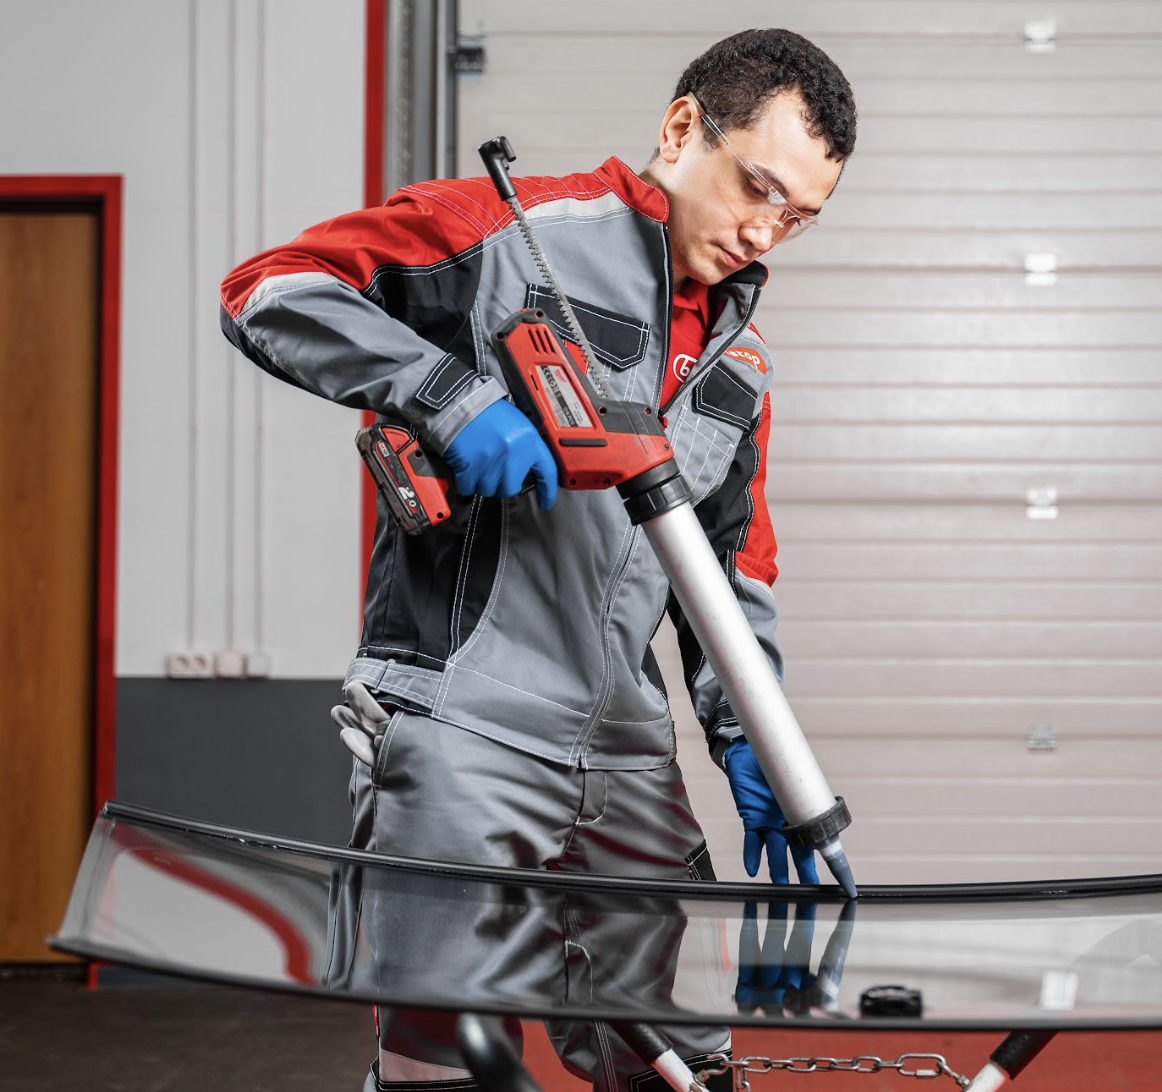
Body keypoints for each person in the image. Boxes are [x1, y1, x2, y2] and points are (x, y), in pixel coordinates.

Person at [218, 27, 856, 1092]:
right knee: (444, 1062)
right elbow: (270, 288)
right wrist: (445, 396)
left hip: (625, 752)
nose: (763, 232)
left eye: (796, 217)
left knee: (678, 1066)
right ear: (681, 128)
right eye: (757, 187)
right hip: (463, 723)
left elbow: (731, 574)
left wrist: (754, 738)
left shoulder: (740, 367)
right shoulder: (511, 235)